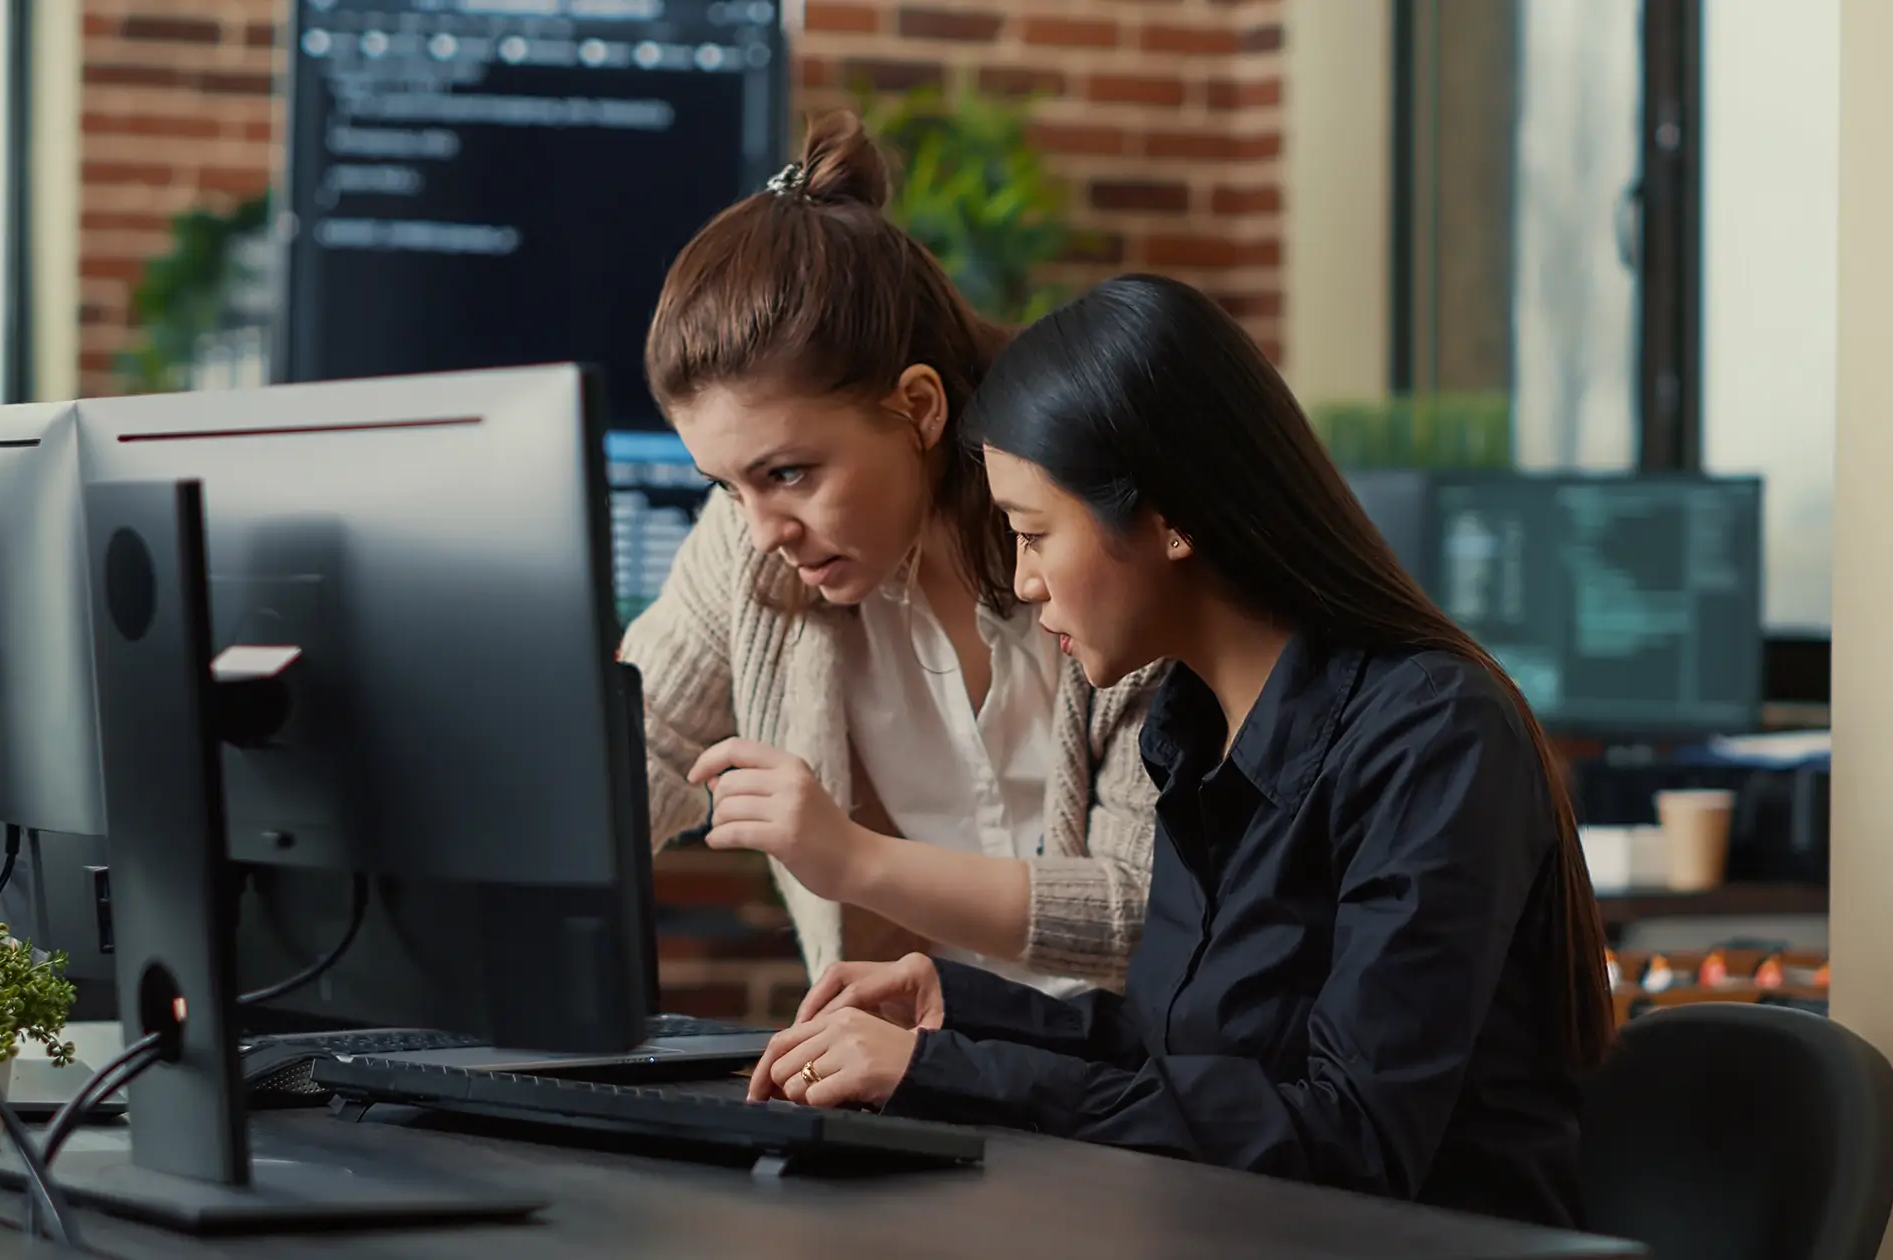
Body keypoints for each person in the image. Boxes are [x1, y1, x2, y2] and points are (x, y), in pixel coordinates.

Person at [742, 274, 1615, 1229]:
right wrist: (961, 1010)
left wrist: (945, 1075)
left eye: (1033, 533)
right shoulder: (1193, 728)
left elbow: (1353, 1139)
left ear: (1171, 519)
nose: (1024, 581)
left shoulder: (1433, 735)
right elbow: (1186, 1053)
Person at [620, 111, 1165, 996]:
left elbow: (1144, 910)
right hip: (921, 1084)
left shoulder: (1102, 535)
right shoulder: (749, 551)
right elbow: (634, 756)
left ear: (918, 408)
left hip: (1133, 1095)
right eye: (727, 485)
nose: (763, 529)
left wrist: (852, 860)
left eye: (789, 473)